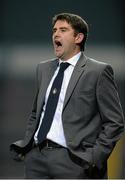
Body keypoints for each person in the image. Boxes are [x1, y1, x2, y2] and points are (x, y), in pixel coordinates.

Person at [10, 12, 125, 179]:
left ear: (78, 38)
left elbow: (115, 122)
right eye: (54, 30)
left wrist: (93, 157)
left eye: (63, 30)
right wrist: (29, 147)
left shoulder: (98, 72)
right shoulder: (43, 69)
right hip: (37, 159)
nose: (56, 34)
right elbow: (36, 113)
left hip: (74, 161)